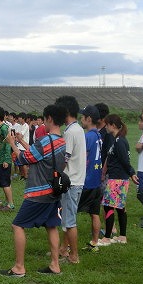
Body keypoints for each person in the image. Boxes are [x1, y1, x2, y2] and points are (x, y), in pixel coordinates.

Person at [0, 104, 68, 277]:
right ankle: (54, 265)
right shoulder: (62, 141)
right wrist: (21, 141)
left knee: (17, 225)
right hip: (54, 191)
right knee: (51, 226)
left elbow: (23, 159)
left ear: (49, 118)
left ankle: (19, 267)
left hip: (38, 193)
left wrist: (12, 144)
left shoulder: (45, 141)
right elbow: (39, 156)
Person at [55, 95, 86, 265]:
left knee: (69, 221)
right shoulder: (77, 129)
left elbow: (63, 159)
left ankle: (74, 256)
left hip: (71, 182)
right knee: (67, 218)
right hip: (76, 180)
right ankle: (63, 249)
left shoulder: (70, 132)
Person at [97, 115, 138, 246]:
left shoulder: (119, 141)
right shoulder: (118, 140)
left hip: (117, 179)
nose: (106, 127)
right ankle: (122, 236)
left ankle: (107, 237)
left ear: (113, 125)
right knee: (120, 208)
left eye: (107, 124)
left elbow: (125, 161)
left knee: (109, 206)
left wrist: (132, 173)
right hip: (119, 178)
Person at [78, 105, 104, 251]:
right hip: (96, 181)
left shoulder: (87, 136)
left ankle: (67, 247)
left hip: (86, 181)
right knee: (94, 213)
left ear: (88, 119)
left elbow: (83, 157)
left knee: (70, 214)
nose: (81, 119)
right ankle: (94, 243)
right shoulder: (98, 135)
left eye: (82, 117)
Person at [0, 106, 15, 211]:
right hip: (0, 159)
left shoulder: (4, 128)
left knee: (5, 183)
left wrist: (5, 160)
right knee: (3, 182)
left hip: (4, 160)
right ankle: (7, 202)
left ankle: (10, 204)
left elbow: (8, 144)